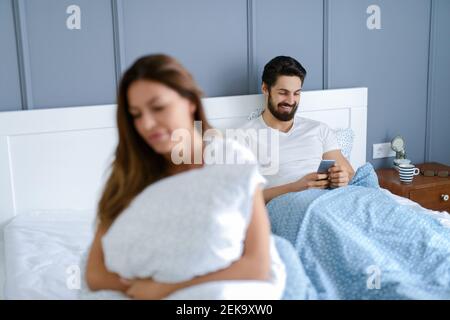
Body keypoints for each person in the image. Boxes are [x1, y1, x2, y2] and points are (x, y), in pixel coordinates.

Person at [84, 54, 276, 299]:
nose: (148, 124)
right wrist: (137, 290)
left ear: (190, 102)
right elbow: (95, 272)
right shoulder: (129, 174)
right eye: (136, 115)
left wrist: (165, 289)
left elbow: (257, 266)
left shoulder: (232, 162)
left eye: (158, 107)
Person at [241, 56, 355, 203]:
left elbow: (350, 174)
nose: (290, 101)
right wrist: (296, 187)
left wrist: (341, 178)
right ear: (265, 89)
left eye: (296, 93)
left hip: (332, 199)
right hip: (292, 206)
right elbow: (243, 198)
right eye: (283, 92)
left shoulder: (319, 129)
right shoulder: (244, 137)